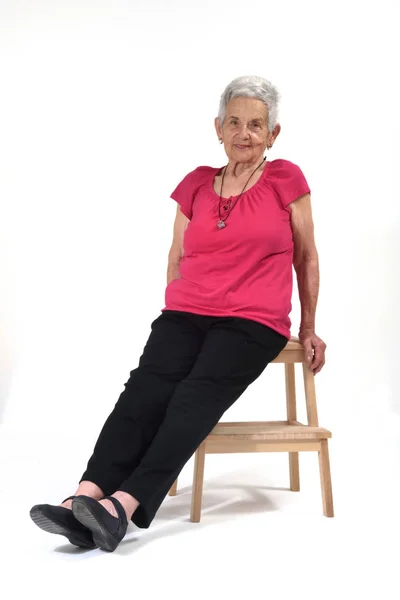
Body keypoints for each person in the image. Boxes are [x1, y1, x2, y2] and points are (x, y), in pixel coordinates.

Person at [30, 75, 327, 552]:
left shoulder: (285, 178)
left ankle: (122, 506)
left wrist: (310, 326)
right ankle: (84, 496)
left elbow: (307, 256)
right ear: (217, 127)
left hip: (253, 320)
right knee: (144, 389)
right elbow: (176, 254)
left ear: (273, 134)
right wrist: (179, 304)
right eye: (234, 122)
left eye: (256, 124)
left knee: (193, 397)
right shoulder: (195, 183)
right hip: (187, 312)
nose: (244, 133)